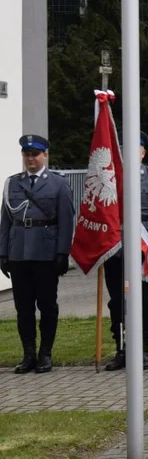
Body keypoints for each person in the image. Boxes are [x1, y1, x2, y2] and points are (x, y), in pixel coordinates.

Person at [0, 135, 75, 374]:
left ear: (45, 156)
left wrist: (63, 253)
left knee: (47, 305)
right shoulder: (12, 183)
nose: (30, 159)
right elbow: (5, 221)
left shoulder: (58, 183)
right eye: (26, 154)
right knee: (23, 308)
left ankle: (45, 354)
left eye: (35, 154)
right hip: (19, 252)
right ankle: (28, 355)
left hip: (45, 253)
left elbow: (66, 220)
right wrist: (3, 253)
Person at [104, 132, 148, 372]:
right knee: (117, 302)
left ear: (143, 152)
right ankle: (122, 348)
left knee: (144, 301)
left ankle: (142, 348)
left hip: (145, 250)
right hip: (116, 249)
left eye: (136, 149)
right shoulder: (110, 179)